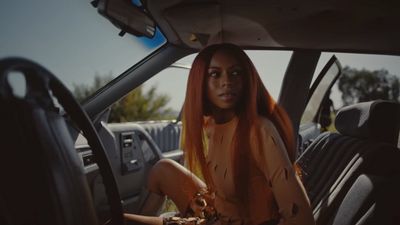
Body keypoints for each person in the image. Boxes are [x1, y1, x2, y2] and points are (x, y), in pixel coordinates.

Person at [124, 43, 315, 225]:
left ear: (246, 79)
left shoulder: (259, 130)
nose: (226, 82)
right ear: (200, 82)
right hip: (216, 214)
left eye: (235, 73)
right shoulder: (211, 125)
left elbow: (302, 219)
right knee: (162, 169)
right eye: (215, 74)